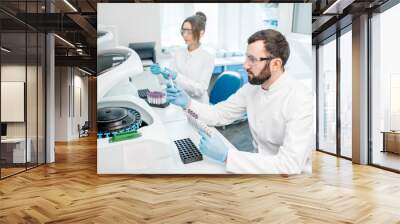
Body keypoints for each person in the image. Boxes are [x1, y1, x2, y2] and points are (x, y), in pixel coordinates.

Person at [166, 29, 314, 174]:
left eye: (253, 59)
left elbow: (290, 164)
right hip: (257, 168)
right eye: (246, 57)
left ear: (275, 64)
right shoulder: (252, 89)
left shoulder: (300, 98)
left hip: (289, 180)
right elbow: (219, 114)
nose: (245, 65)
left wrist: (228, 156)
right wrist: (188, 104)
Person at [150, 11, 215, 104]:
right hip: (178, 103)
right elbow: (168, 81)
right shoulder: (178, 53)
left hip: (197, 106)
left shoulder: (207, 58)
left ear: (201, 33)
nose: (184, 35)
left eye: (189, 32)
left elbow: (200, 90)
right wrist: (160, 73)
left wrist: (177, 77)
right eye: (183, 31)